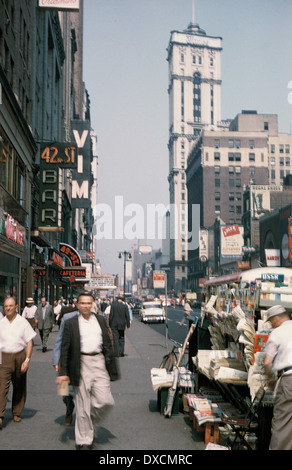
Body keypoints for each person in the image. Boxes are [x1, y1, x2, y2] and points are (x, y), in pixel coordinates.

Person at [56, 293, 117, 450]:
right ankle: (85, 440)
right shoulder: (70, 323)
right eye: (82, 303)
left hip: (99, 362)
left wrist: (112, 365)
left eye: (88, 303)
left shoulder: (101, 320)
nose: (85, 306)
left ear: (92, 304)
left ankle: (89, 420)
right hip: (80, 363)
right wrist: (62, 372)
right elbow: (64, 348)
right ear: (77, 304)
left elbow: (107, 344)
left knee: (106, 401)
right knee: (82, 404)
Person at [0, 296, 36, 429]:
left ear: (16, 307)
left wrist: (27, 359)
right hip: (3, 358)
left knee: (19, 386)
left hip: (20, 356)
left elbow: (29, 341)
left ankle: (16, 412)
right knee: (2, 387)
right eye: (6, 306)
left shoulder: (23, 322)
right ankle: (0, 416)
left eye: (10, 306)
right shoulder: (1, 323)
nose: (8, 308)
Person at [263, 304, 292, 450]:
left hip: (288, 379)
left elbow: (267, 362)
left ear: (276, 318)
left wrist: (270, 379)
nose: (271, 325)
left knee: (281, 423)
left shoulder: (277, 333)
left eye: (270, 321)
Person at [52, 309, 79, 426]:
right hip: (66, 359)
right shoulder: (68, 318)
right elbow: (60, 340)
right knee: (63, 391)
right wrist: (55, 360)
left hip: (82, 361)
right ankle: (69, 406)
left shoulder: (94, 318)